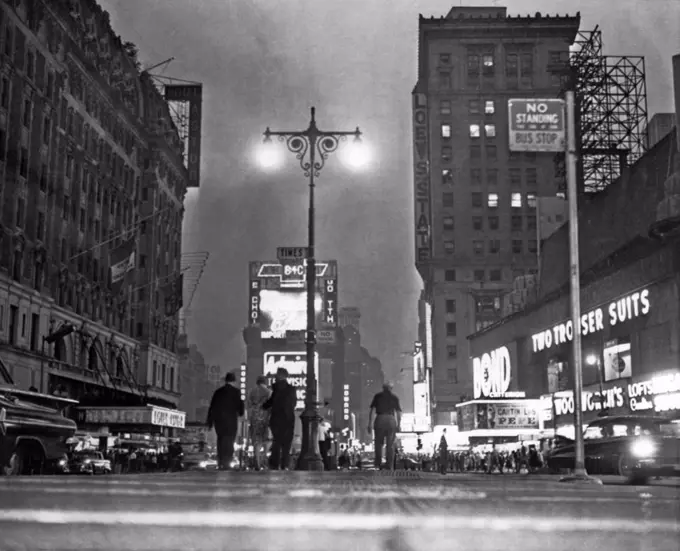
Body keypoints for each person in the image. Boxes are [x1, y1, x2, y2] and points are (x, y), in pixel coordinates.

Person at [206, 371, 244, 470]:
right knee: (230, 441)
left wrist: (210, 421)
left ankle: (221, 461)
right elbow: (241, 409)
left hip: (219, 421)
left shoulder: (218, 392)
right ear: (234, 381)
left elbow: (212, 407)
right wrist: (240, 413)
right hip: (231, 421)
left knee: (221, 440)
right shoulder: (237, 392)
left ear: (225, 380)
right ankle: (227, 462)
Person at [263, 368, 297, 470]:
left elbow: (270, 403)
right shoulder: (291, 389)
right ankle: (285, 464)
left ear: (280, 376)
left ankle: (275, 464)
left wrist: (262, 406)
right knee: (286, 443)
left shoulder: (276, 389)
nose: (275, 376)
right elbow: (294, 404)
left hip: (276, 419)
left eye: (276, 374)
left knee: (277, 441)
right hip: (288, 419)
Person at [367, 382, 402, 470]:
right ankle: (389, 465)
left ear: (383, 388)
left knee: (378, 443)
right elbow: (398, 413)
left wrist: (370, 424)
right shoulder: (394, 398)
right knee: (390, 444)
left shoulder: (377, 396)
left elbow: (372, 410)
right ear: (391, 388)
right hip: (391, 419)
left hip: (380, 418)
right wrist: (398, 425)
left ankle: (378, 464)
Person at [247, 375, 272, 471]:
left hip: (254, 420)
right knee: (267, 441)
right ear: (265, 382)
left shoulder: (251, 392)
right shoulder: (269, 392)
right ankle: (263, 459)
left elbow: (248, 406)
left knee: (256, 442)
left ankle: (257, 462)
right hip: (265, 420)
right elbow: (271, 407)